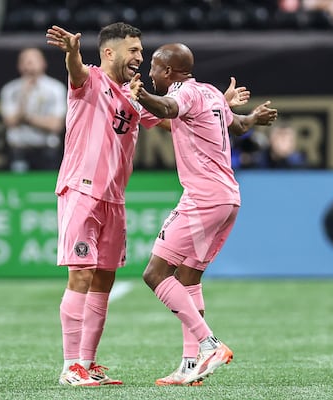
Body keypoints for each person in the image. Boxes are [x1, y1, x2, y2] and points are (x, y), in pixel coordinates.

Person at [45, 23, 250, 387]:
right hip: (82, 190)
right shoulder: (90, 80)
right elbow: (75, 73)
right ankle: (70, 365)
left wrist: (219, 105)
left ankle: (88, 363)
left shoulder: (132, 94)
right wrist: (72, 53)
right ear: (109, 52)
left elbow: (175, 116)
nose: (140, 57)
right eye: (134, 50)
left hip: (114, 198)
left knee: (104, 281)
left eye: (142, 51)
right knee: (81, 274)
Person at [130, 43, 277, 386]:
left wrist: (141, 96)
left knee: (154, 274)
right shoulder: (211, 93)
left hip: (203, 199)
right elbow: (238, 126)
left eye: (153, 67)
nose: (149, 73)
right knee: (189, 278)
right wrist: (254, 118)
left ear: (168, 72)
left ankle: (209, 344)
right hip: (229, 199)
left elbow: (167, 107)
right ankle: (189, 365)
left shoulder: (183, 93)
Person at [0, 47, 67, 171]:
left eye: (33, 60)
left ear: (43, 63)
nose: (29, 65)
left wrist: (26, 118)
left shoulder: (56, 88)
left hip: (47, 151)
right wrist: (23, 96)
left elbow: (56, 125)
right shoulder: (10, 90)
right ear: (19, 66)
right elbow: (10, 122)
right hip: (18, 150)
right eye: (25, 61)